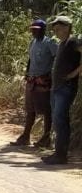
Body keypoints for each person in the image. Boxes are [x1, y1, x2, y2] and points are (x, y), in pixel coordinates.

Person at [11, 19, 57, 147]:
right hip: (31, 80)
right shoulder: (33, 42)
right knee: (30, 109)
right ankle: (25, 136)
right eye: (32, 29)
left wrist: (50, 75)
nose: (33, 31)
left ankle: (46, 138)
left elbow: (57, 57)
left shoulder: (50, 43)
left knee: (46, 110)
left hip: (43, 81)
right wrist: (27, 73)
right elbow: (30, 60)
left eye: (36, 29)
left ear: (43, 29)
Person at [43, 16, 82, 165]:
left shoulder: (73, 41)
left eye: (58, 28)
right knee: (58, 120)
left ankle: (61, 155)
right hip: (58, 87)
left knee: (61, 119)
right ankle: (58, 153)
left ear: (67, 27)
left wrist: (74, 73)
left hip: (66, 87)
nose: (56, 32)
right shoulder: (62, 43)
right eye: (55, 29)